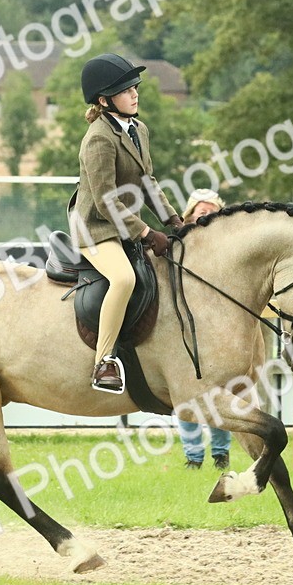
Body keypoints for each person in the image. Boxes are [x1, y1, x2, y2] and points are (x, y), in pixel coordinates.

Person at [70, 52, 182, 393]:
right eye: (126, 90)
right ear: (105, 101)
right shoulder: (98, 139)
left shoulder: (139, 129)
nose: (135, 94)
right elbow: (106, 201)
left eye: (135, 87)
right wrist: (147, 233)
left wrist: (174, 221)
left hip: (120, 220)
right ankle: (103, 362)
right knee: (123, 278)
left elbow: (147, 182)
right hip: (94, 226)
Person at [175, 189, 232, 469]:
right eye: (201, 212)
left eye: (212, 212)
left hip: (215, 332)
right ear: (190, 214)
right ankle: (193, 457)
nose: (206, 216)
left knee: (218, 395)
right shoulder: (177, 242)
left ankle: (221, 453)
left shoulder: (227, 247)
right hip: (183, 329)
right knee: (185, 396)